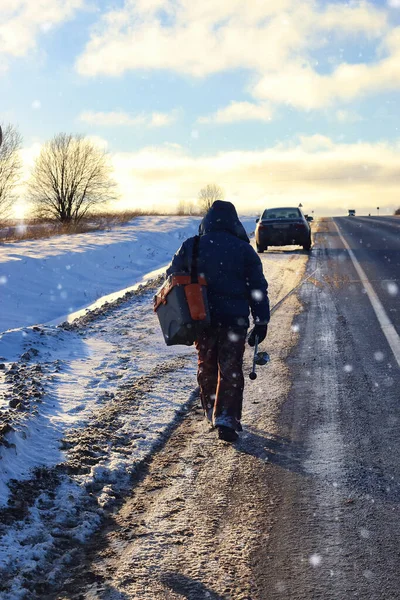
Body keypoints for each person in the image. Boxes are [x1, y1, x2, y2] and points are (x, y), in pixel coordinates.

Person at [166, 200, 270, 442]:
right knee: (230, 366)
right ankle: (226, 418)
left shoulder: (191, 246)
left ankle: (211, 409)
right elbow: (257, 288)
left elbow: (172, 278)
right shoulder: (244, 250)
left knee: (207, 363)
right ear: (233, 223)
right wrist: (261, 320)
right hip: (234, 321)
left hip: (201, 318)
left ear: (207, 221)